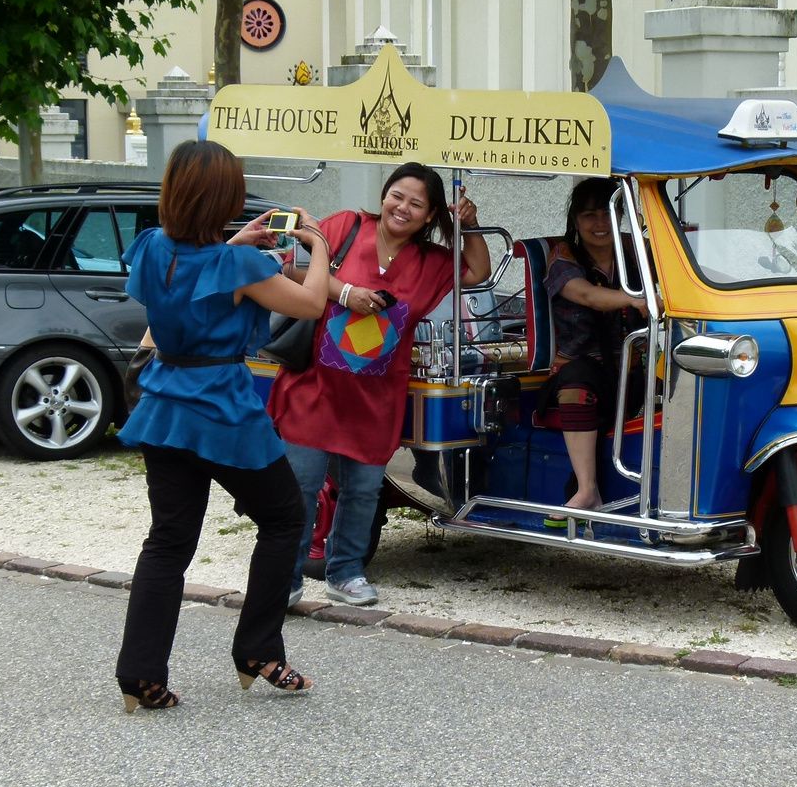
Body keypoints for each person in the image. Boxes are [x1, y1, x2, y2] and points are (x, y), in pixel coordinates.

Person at [114, 140, 332, 713]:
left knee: (167, 542)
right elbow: (311, 303)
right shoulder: (235, 265)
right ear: (224, 196)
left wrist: (236, 243)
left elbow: (191, 281)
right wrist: (322, 244)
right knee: (286, 518)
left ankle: (139, 675)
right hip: (222, 410)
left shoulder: (153, 248)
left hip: (165, 407)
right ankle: (258, 649)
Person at [266, 163, 490, 606]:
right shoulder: (344, 226)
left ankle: (345, 572)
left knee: (364, 489)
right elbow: (293, 270)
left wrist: (472, 224)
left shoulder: (431, 261)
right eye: (396, 196)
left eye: (416, 203)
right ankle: (284, 580)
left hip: (376, 397)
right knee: (301, 486)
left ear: (429, 216)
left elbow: (477, 272)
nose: (402, 208)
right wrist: (346, 293)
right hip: (314, 386)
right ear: (383, 195)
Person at [537, 177, 649, 519]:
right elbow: (586, 295)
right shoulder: (563, 257)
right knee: (576, 384)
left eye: (608, 213)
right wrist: (637, 299)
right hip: (583, 368)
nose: (600, 223)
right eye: (589, 215)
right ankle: (587, 490)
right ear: (575, 220)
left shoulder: (637, 250)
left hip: (634, 368)